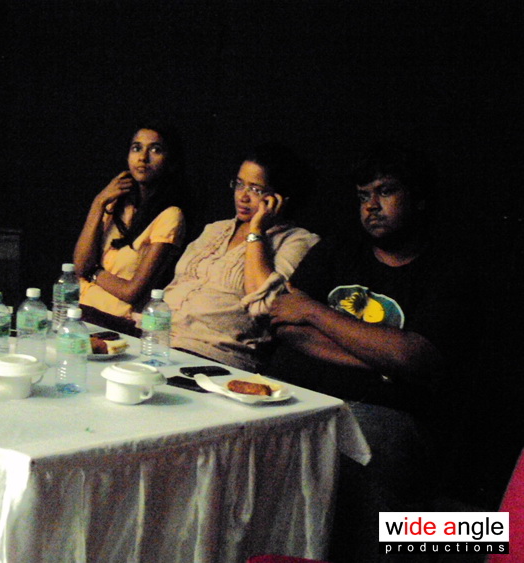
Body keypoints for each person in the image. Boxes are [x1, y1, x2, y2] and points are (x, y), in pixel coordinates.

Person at [267, 144, 472, 562]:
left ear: (418, 198)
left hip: (382, 415)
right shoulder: (336, 251)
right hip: (297, 395)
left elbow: (415, 358)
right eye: (363, 195)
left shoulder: (447, 272)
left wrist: (314, 312)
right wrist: (380, 354)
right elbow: (286, 324)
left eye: (385, 192)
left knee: (368, 457)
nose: (371, 206)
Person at [163, 142, 320, 372]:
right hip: (156, 338)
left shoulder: (297, 241)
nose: (242, 197)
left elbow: (264, 305)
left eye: (255, 189)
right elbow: (176, 284)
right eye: (239, 184)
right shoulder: (215, 229)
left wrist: (256, 230)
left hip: (213, 354)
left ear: (279, 197)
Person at [73, 123, 187, 334]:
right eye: (137, 148)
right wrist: (98, 203)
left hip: (118, 322)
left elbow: (132, 292)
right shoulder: (116, 203)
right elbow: (79, 266)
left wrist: (94, 272)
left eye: (155, 150)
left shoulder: (170, 216)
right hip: (79, 310)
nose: (143, 158)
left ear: (170, 160)